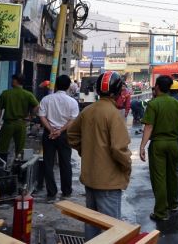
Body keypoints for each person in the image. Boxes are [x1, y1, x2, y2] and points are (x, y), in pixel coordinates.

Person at [67, 71, 132, 240]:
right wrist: (127, 167)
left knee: (92, 225)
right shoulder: (113, 114)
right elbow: (119, 150)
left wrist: (87, 151)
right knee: (112, 231)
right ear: (117, 91)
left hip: (90, 179)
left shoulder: (88, 111)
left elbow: (72, 135)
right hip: (109, 183)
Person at [140, 76, 178, 221]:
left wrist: (142, 146)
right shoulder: (177, 104)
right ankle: (173, 204)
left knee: (159, 178)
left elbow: (148, 127)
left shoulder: (153, 104)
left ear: (157, 87)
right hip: (174, 144)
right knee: (172, 175)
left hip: (158, 144)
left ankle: (161, 212)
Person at [38, 75, 79, 202]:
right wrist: (60, 130)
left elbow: (42, 116)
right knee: (65, 163)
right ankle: (66, 191)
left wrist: (51, 130)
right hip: (64, 135)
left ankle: (51, 191)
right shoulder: (72, 102)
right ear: (68, 87)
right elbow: (72, 119)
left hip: (48, 134)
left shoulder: (46, 99)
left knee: (48, 162)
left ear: (55, 85)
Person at [0, 74, 39, 157]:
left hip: (8, 124)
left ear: (16, 81)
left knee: (2, 148)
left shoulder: (6, 93)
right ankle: (18, 166)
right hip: (21, 124)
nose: (11, 81)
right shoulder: (28, 94)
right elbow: (37, 106)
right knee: (20, 149)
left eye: (13, 80)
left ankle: (0, 165)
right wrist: (31, 116)